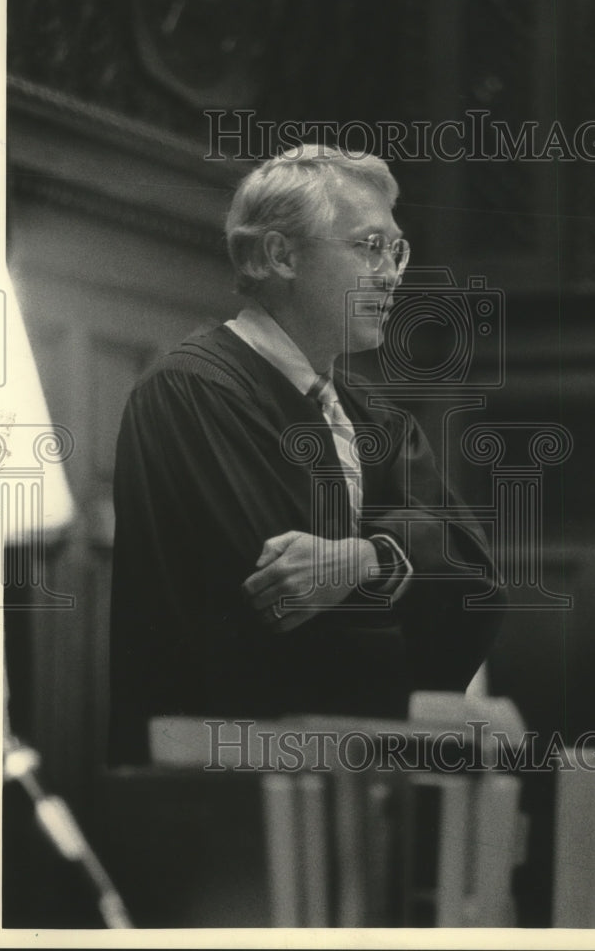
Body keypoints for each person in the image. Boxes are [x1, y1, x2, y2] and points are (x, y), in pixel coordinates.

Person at [108, 145, 504, 765]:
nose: (393, 272)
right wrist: (410, 572)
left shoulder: (373, 415)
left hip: (347, 776)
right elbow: (285, 605)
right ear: (279, 254)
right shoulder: (191, 391)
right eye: (369, 246)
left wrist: (368, 556)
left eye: (396, 249)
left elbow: (479, 577)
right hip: (225, 780)